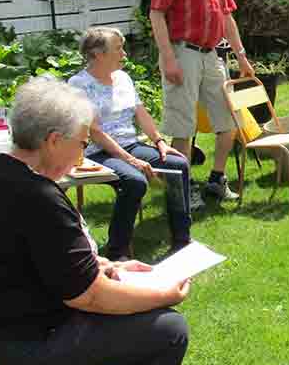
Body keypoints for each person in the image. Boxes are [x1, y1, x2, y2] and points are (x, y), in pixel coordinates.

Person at [0, 77, 190, 365]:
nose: (82, 155)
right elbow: (89, 296)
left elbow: (40, 258)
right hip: (21, 351)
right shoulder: (38, 198)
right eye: (81, 144)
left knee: (143, 319)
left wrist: (108, 266)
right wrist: (167, 293)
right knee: (168, 329)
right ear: (53, 140)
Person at [149, 0, 254, 201]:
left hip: (212, 55)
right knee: (183, 125)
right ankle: (181, 192)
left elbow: (227, 17)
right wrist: (168, 58)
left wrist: (241, 56)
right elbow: (156, 14)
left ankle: (216, 180)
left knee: (229, 119)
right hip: (182, 52)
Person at [68, 27, 194, 261]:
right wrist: (131, 161)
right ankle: (118, 251)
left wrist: (159, 142)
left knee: (178, 164)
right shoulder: (79, 84)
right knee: (134, 181)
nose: (124, 53)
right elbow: (94, 132)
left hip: (130, 144)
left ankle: (182, 239)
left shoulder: (123, 78)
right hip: (98, 152)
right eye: (118, 49)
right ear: (97, 54)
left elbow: (140, 112)